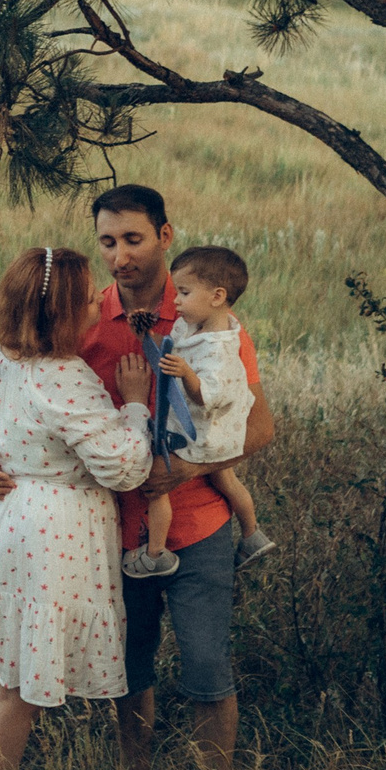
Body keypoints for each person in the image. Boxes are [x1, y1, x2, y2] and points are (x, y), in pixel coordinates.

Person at [0, 185, 274, 770]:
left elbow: (259, 428)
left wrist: (184, 471)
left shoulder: (206, 321)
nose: (120, 256)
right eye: (107, 242)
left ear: (165, 235)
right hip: (108, 531)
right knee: (130, 672)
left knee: (208, 670)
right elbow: (36, 401)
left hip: (198, 524)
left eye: (133, 239)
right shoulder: (79, 315)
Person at [0, 244, 156, 770]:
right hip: (53, 532)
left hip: (13, 517)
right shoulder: (63, 377)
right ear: (60, 312)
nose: (99, 304)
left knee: (11, 682)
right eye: (88, 299)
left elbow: (16, 425)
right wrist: (134, 405)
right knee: (17, 691)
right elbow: (124, 468)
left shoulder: (8, 354)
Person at [125, 245, 274, 577]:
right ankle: (252, 534)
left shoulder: (220, 349)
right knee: (225, 478)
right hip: (214, 427)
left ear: (217, 296)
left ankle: (155, 553)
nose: (175, 301)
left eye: (184, 292)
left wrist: (186, 373)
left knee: (157, 482)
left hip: (202, 428)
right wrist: (148, 336)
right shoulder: (195, 326)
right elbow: (171, 349)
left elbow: (207, 395)